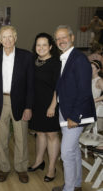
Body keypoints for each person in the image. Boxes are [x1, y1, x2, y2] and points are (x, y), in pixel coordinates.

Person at [0, 25, 34, 184]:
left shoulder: (26, 56)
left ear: (15, 38)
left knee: (21, 138)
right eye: (4, 37)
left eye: (10, 36)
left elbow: (30, 84)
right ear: (0, 40)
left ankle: (21, 168)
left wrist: (28, 106)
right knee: (1, 138)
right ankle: (4, 168)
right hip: (0, 101)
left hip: (20, 103)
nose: (7, 40)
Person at [52, 25, 96, 191]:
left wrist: (74, 117)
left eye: (64, 37)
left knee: (66, 153)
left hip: (75, 114)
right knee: (74, 150)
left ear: (72, 38)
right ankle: (76, 184)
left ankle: (69, 188)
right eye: (58, 38)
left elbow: (85, 91)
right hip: (66, 110)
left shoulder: (79, 59)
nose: (61, 41)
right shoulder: (66, 58)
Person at [28, 33, 61, 182]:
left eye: (44, 45)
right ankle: (39, 162)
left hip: (51, 105)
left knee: (52, 135)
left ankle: (51, 168)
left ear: (50, 47)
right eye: (38, 45)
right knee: (40, 133)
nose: (41, 48)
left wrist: (53, 106)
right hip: (36, 105)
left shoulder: (56, 63)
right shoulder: (33, 62)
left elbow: (58, 87)